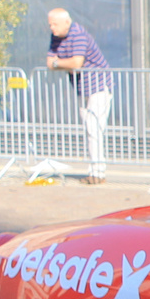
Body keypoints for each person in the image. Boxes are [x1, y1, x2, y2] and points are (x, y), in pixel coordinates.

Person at [47, 9, 114, 184]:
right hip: (81, 87)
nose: (51, 27)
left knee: (94, 128)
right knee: (89, 128)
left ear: (66, 22)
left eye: (55, 24)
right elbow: (49, 63)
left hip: (98, 85)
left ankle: (98, 172)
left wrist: (59, 63)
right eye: (50, 24)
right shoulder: (56, 37)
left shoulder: (78, 34)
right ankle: (94, 170)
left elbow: (77, 63)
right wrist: (62, 64)